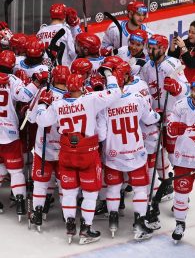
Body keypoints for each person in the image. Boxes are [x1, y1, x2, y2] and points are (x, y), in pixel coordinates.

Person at [35, 66, 121, 244]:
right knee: (90, 193)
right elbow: (115, 92)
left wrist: (43, 104)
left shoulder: (57, 105)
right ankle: (86, 229)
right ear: (82, 87)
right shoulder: (90, 99)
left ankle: (70, 225)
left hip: (66, 153)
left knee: (68, 191)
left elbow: (41, 120)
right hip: (87, 153)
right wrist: (109, 75)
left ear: (67, 87)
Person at [97, 60, 160, 239]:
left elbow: (101, 135)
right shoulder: (137, 99)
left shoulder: (103, 103)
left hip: (113, 154)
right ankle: (139, 224)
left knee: (113, 188)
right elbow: (149, 119)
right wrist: (159, 115)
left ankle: (113, 220)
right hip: (136, 153)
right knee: (140, 189)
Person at [140, 34, 190, 200]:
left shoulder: (172, 64)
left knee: (173, 153)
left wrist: (176, 87)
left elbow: (186, 88)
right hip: (154, 116)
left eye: (154, 47)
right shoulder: (147, 67)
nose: (150, 50)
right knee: (157, 151)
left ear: (162, 48)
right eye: (150, 47)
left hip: (171, 115)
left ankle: (182, 191)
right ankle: (166, 183)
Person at [0, 50, 47, 221]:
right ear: (12, 65)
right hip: (10, 132)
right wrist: (36, 81)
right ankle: (20, 202)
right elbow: (25, 96)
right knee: (16, 171)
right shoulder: (13, 80)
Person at [28, 65, 70, 231]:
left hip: (43, 147)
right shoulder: (72, 98)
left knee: (40, 183)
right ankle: (69, 217)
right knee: (65, 184)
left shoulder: (42, 92)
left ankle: (38, 212)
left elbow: (31, 119)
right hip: (63, 148)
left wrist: (38, 107)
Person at [167, 75, 195, 243]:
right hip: (184, 159)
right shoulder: (180, 106)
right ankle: (180, 224)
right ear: (191, 90)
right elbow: (170, 128)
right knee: (180, 194)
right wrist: (173, 128)